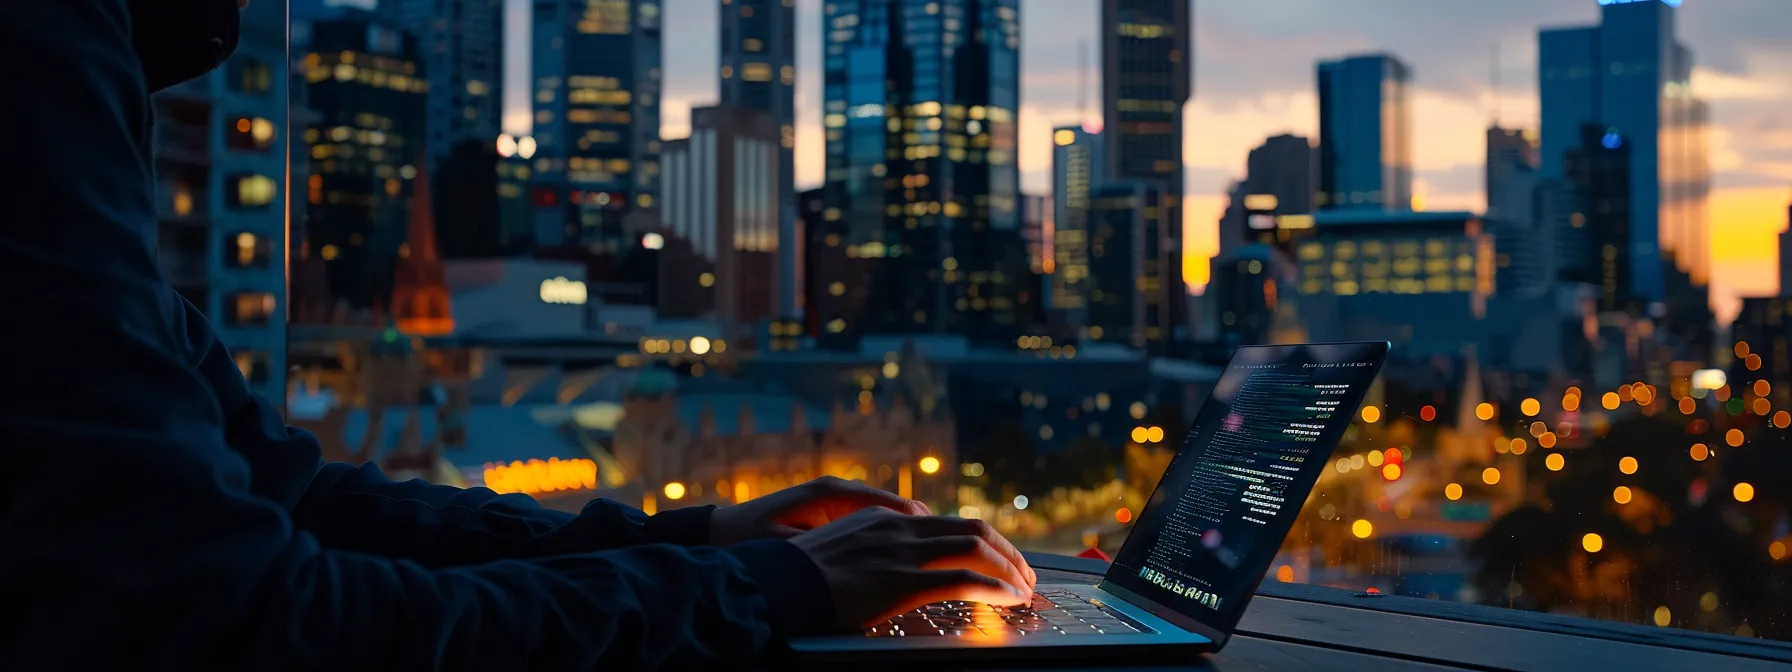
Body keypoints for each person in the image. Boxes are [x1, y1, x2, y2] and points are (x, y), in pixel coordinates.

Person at [0, 0, 1035, 668]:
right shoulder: (42, 48)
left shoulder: (95, 57)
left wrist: (692, 537)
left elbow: (296, 497)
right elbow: (237, 622)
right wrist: (771, 585)